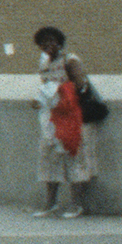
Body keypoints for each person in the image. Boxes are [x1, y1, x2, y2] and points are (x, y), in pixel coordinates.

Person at [32, 26, 95, 217]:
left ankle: (76, 204)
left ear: (59, 42)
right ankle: (50, 203)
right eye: (43, 43)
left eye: (51, 41)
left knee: (74, 159)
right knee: (49, 160)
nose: (47, 45)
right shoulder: (44, 63)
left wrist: (60, 93)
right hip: (51, 119)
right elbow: (45, 88)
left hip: (71, 118)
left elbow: (80, 84)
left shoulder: (70, 60)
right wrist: (42, 99)